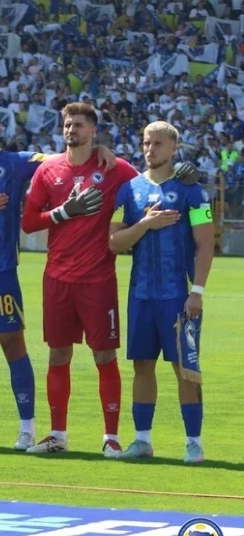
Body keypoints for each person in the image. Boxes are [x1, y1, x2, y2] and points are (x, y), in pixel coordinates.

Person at [0, 104, 116, 449]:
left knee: (13, 345)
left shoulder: (16, 163)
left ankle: (27, 429)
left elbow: (64, 157)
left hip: (0, 274)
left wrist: (98, 149)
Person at [21, 102, 195, 454]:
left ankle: (111, 438)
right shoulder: (48, 170)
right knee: (58, 354)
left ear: (93, 130)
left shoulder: (114, 168)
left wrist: (183, 174)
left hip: (98, 280)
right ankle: (57, 435)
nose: (71, 130)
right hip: (57, 278)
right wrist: (62, 212)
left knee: (104, 356)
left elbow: (152, 181)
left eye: (78, 125)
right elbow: (28, 222)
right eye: (67, 124)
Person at [108, 121, 214, 463]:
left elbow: (205, 243)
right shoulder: (129, 190)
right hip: (140, 295)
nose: (149, 149)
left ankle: (194, 442)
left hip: (178, 296)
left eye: (157, 144)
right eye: (145, 143)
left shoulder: (192, 191)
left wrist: (197, 291)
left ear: (173, 148)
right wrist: (145, 224)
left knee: (185, 368)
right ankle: (142, 441)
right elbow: (114, 242)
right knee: (142, 366)